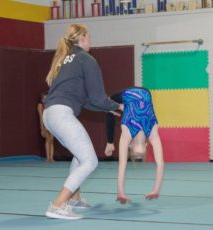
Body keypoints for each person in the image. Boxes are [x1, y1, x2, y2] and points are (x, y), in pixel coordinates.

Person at [43, 24, 122, 220]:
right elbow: (98, 98)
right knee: (90, 160)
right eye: (89, 37)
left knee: (80, 156)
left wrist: (108, 108)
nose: (91, 41)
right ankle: (57, 204)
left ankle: (74, 198)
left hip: (50, 114)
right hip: (62, 114)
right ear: (82, 39)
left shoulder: (65, 59)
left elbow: (86, 101)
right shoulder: (86, 59)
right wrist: (118, 106)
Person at [104, 87, 164, 204]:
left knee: (110, 107)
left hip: (142, 92)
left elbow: (160, 164)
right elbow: (160, 164)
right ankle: (110, 143)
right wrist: (155, 190)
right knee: (109, 106)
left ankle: (110, 142)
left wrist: (156, 190)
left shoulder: (150, 132)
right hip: (130, 94)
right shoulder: (135, 134)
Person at [37, 92, 55, 162]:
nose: (45, 100)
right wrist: (42, 128)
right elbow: (41, 117)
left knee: (52, 140)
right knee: (47, 140)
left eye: (46, 98)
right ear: (41, 100)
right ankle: (48, 157)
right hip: (45, 124)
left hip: (52, 124)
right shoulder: (40, 106)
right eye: (44, 99)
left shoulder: (50, 105)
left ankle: (51, 157)